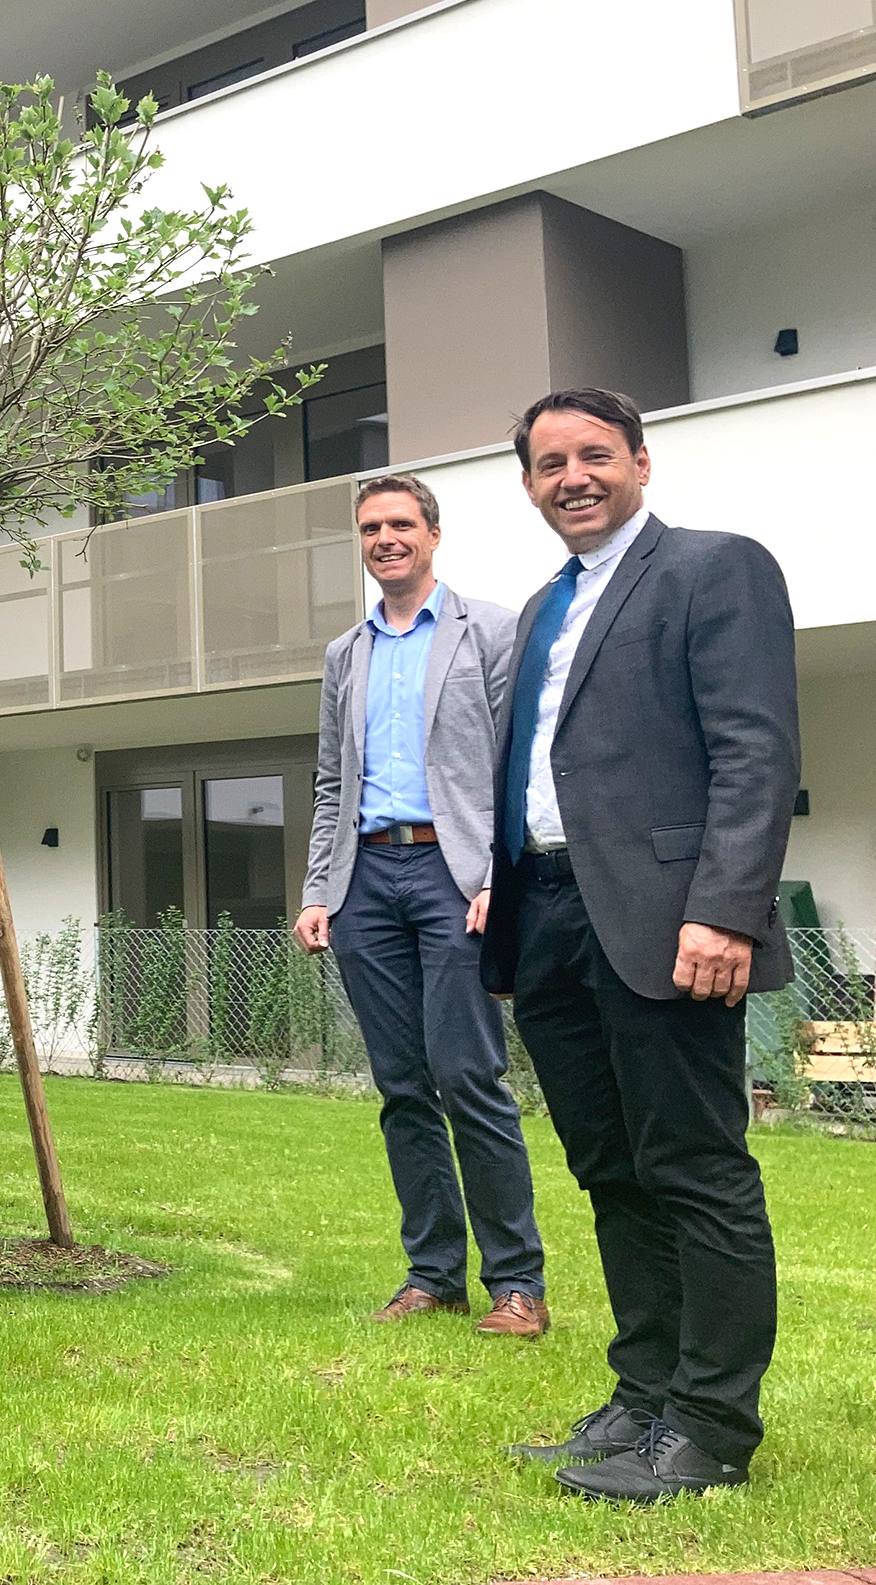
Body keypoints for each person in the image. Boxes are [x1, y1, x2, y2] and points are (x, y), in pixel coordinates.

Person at [486, 388, 799, 1503]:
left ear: (641, 462)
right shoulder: (542, 606)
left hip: (670, 920)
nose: (572, 476)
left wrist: (726, 907)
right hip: (550, 915)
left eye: (594, 455)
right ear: (528, 483)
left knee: (694, 1168)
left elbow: (755, 751)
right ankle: (646, 1395)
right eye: (549, 463)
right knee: (611, 1169)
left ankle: (710, 1427)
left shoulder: (716, 568)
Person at [294, 475, 548, 1336]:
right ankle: (434, 1275)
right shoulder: (346, 653)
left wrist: (499, 879)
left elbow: (517, 764)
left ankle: (516, 1283)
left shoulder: (493, 629)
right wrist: (318, 890)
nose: (386, 538)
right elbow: (332, 781)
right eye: (371, 527)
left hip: (455, 876)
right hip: (366, 880)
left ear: (433, 534)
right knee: (402, 1085)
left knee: (468, 1076)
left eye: (401, 523)